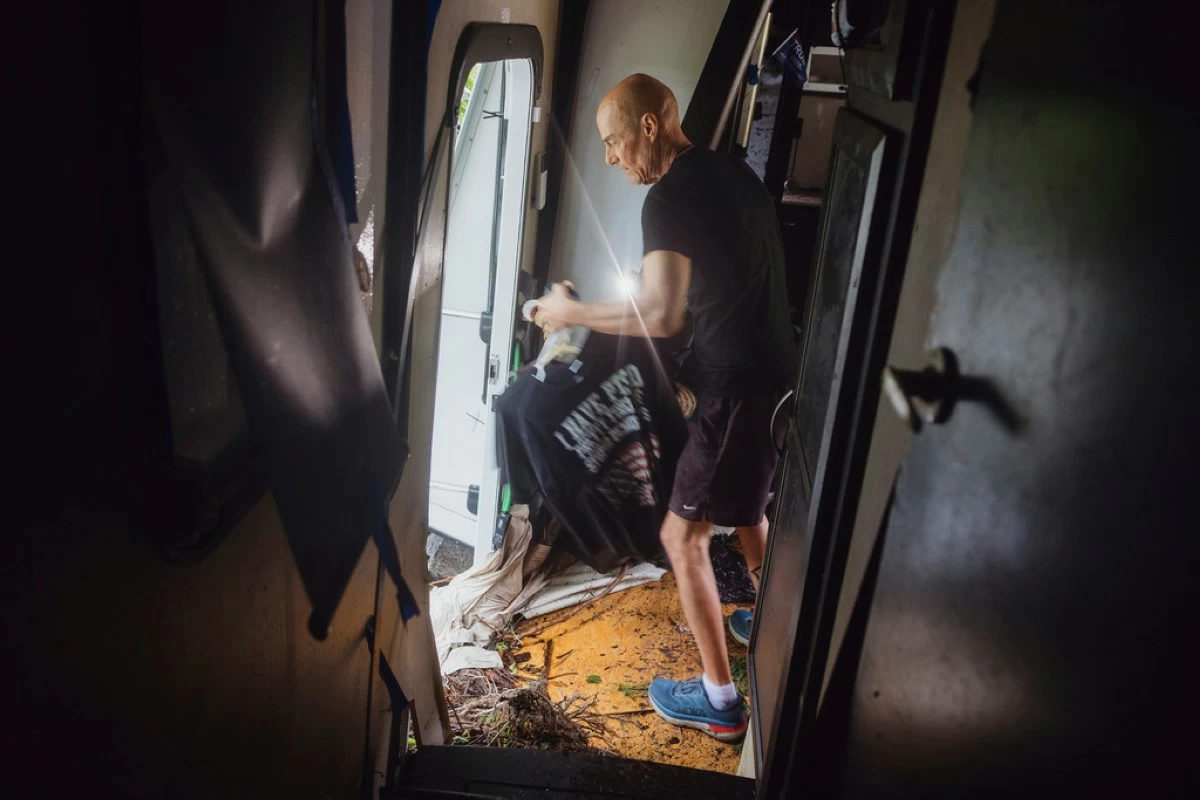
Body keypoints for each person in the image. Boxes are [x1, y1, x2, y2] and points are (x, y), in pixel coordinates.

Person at [536, 73, 796, 742]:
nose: (611, 157)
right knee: (747, 506)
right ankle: (768, 625)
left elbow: (659, 312)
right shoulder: (733, 174)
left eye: (613, 141)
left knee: (682, 536)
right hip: (775, 379)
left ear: (649, 126)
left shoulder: (670, 196)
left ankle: (719, 703)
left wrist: (568, 312)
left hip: (735, 390)